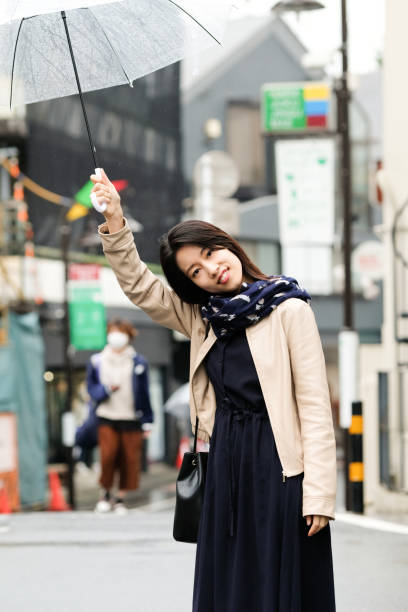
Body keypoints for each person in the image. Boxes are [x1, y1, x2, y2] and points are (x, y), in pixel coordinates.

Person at [90, 169, 336, 611]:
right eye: (196, 272)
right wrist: (115, 222)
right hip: (225, 464)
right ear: (192, 285)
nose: (212, 269)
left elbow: (314, 407)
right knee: (230, 583)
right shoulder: (203, 317)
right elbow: (141, 288)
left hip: (280, 464)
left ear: (227, 243)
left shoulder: (289, 310)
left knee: (281, 583)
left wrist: (317, 493)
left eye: (210, 252)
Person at [86, 317, 153, 515]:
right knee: (107, 457)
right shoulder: (97, 360)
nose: (116, 337)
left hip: (132, 418)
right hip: (106, 416)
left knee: (129, 459)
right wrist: (106, 390)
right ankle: (105, 494)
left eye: (121, 333)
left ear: (129, 336)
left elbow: (145, 393)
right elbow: (91, 389)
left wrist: (148, 421)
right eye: (113, 332)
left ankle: (120, 498)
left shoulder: (139, 362)